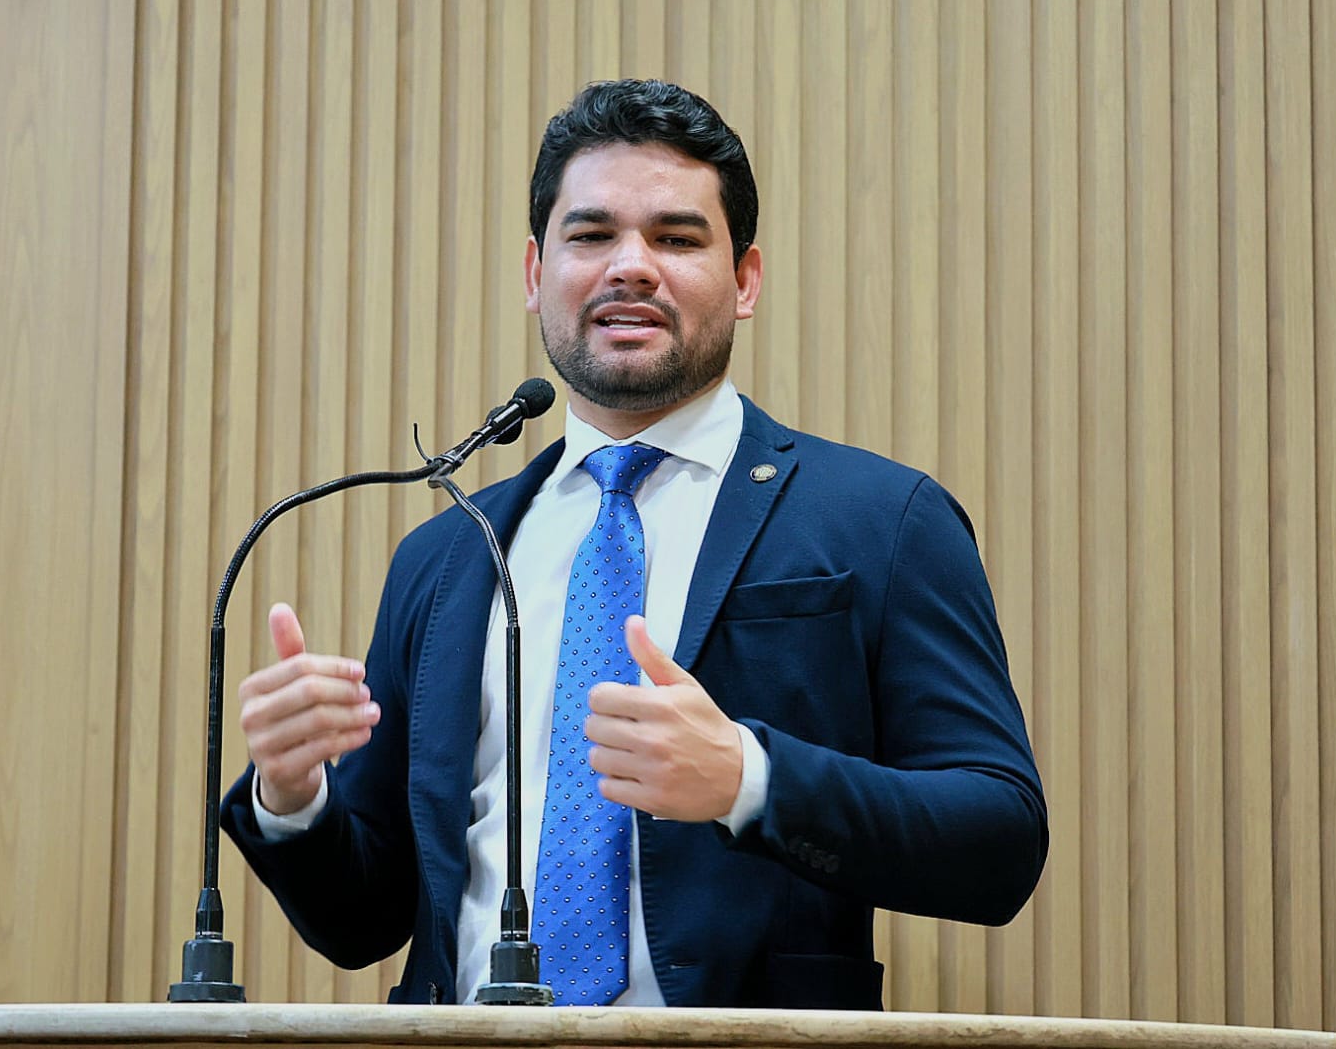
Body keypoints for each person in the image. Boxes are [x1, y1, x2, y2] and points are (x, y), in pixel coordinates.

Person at [222, 78, 1046, 1009]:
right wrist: (293, 795)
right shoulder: (448, 555)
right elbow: (361, 922)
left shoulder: (881, 519)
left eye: (676, 238)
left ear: (744, 280)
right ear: (535, 272)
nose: (631, 267)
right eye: (591, 235)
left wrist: (748, 780)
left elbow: (999, 841)